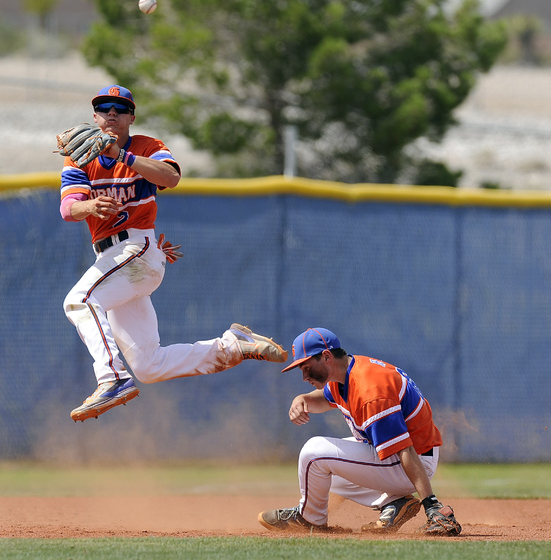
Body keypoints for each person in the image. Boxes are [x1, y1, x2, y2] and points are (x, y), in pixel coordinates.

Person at [60, 85, 287, 422]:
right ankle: (233, 345)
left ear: (131, 117)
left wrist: (122, 156)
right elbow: (68, 208)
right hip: (115, 261)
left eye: (120, 109)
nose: (111, 113)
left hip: (135, 249)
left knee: (78, 301)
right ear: (94, 116)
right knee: (148, 366)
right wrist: (90, 205)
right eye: (104, 107)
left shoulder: (146, 147)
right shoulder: (80, 157)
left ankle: (112, 378)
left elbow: (172, 176)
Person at [258, 327, 462, 536]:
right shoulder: (346, 373)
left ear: (326, 356)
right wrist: (302, 399)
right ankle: (395, 502)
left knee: (314, 453)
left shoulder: (370, 391)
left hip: (413, 461)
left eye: (306, 367)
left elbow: (405, 451)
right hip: (400, 456)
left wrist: (431, 504)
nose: (304, 376)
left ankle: (309, 519)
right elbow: (324, 398)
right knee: (320, 476)